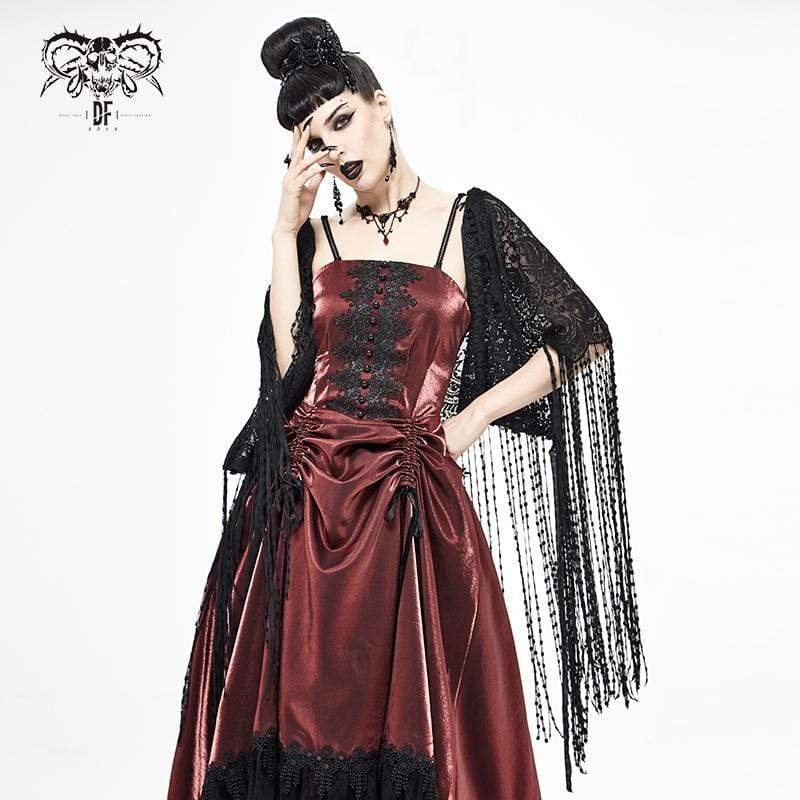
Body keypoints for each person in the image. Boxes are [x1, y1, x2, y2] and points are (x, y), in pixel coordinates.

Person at [167, 17, 648, 800]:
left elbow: (581, 335)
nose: (333, 146)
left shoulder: (469, 222)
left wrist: (474, 416)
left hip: (411, 509)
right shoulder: (313, 238)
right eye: (312, 140)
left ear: (382, 106)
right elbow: (289, 374)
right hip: (302, 511)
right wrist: (284, 230)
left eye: (341, 120)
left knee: (423, 734)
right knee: (290, 727)